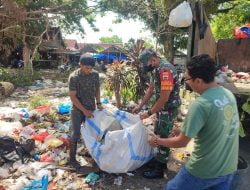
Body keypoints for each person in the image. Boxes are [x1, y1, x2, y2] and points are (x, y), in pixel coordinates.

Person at [148, 54, 239, 190]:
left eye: (188, 79)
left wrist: (157, 141)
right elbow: (217, 127)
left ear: (198, 81)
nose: (187, 82)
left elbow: (181, 142)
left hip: (204, 169)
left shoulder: (201, 104)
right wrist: (186, 131)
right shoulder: (228, 95)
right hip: (228, 168)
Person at [132, 49, 181, 179]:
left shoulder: (165, 70)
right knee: (158, 134)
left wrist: (148, 113)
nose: (149, 66)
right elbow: (151, 90)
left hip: (168, 108)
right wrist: (140, 106)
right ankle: (160, 160)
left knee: (163, 136)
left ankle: (159, 169)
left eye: (148, 63)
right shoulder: (157, 69)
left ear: (153, 59)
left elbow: (164, 97)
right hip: (162, 108)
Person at [68, 54, 103, 172]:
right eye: (87, 68)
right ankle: (72, 159)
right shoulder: (74, 77)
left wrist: (99, 103)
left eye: (91, 68)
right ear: (80, 65)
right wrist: (84, 111)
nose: (89, 70)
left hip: (91, 108)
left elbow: (97, 89)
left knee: (93, 133)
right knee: (75, 134)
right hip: (78, 110)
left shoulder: (95, 75)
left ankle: (93, 156)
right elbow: (73, 97)